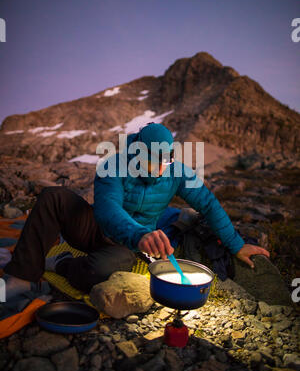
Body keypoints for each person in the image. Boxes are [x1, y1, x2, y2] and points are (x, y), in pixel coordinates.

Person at [1, 122, 270, 298]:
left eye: (168, 159)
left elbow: (208, 203)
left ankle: (63, 264)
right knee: (53, 196)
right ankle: (23, 276)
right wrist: (140, 233)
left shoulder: (175, 172)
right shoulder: (114, 165)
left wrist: (236, 245)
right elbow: (107, 209)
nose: (163, 167)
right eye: (156, 160)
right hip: (96, 228)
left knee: (104, 269)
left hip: (128, 247)